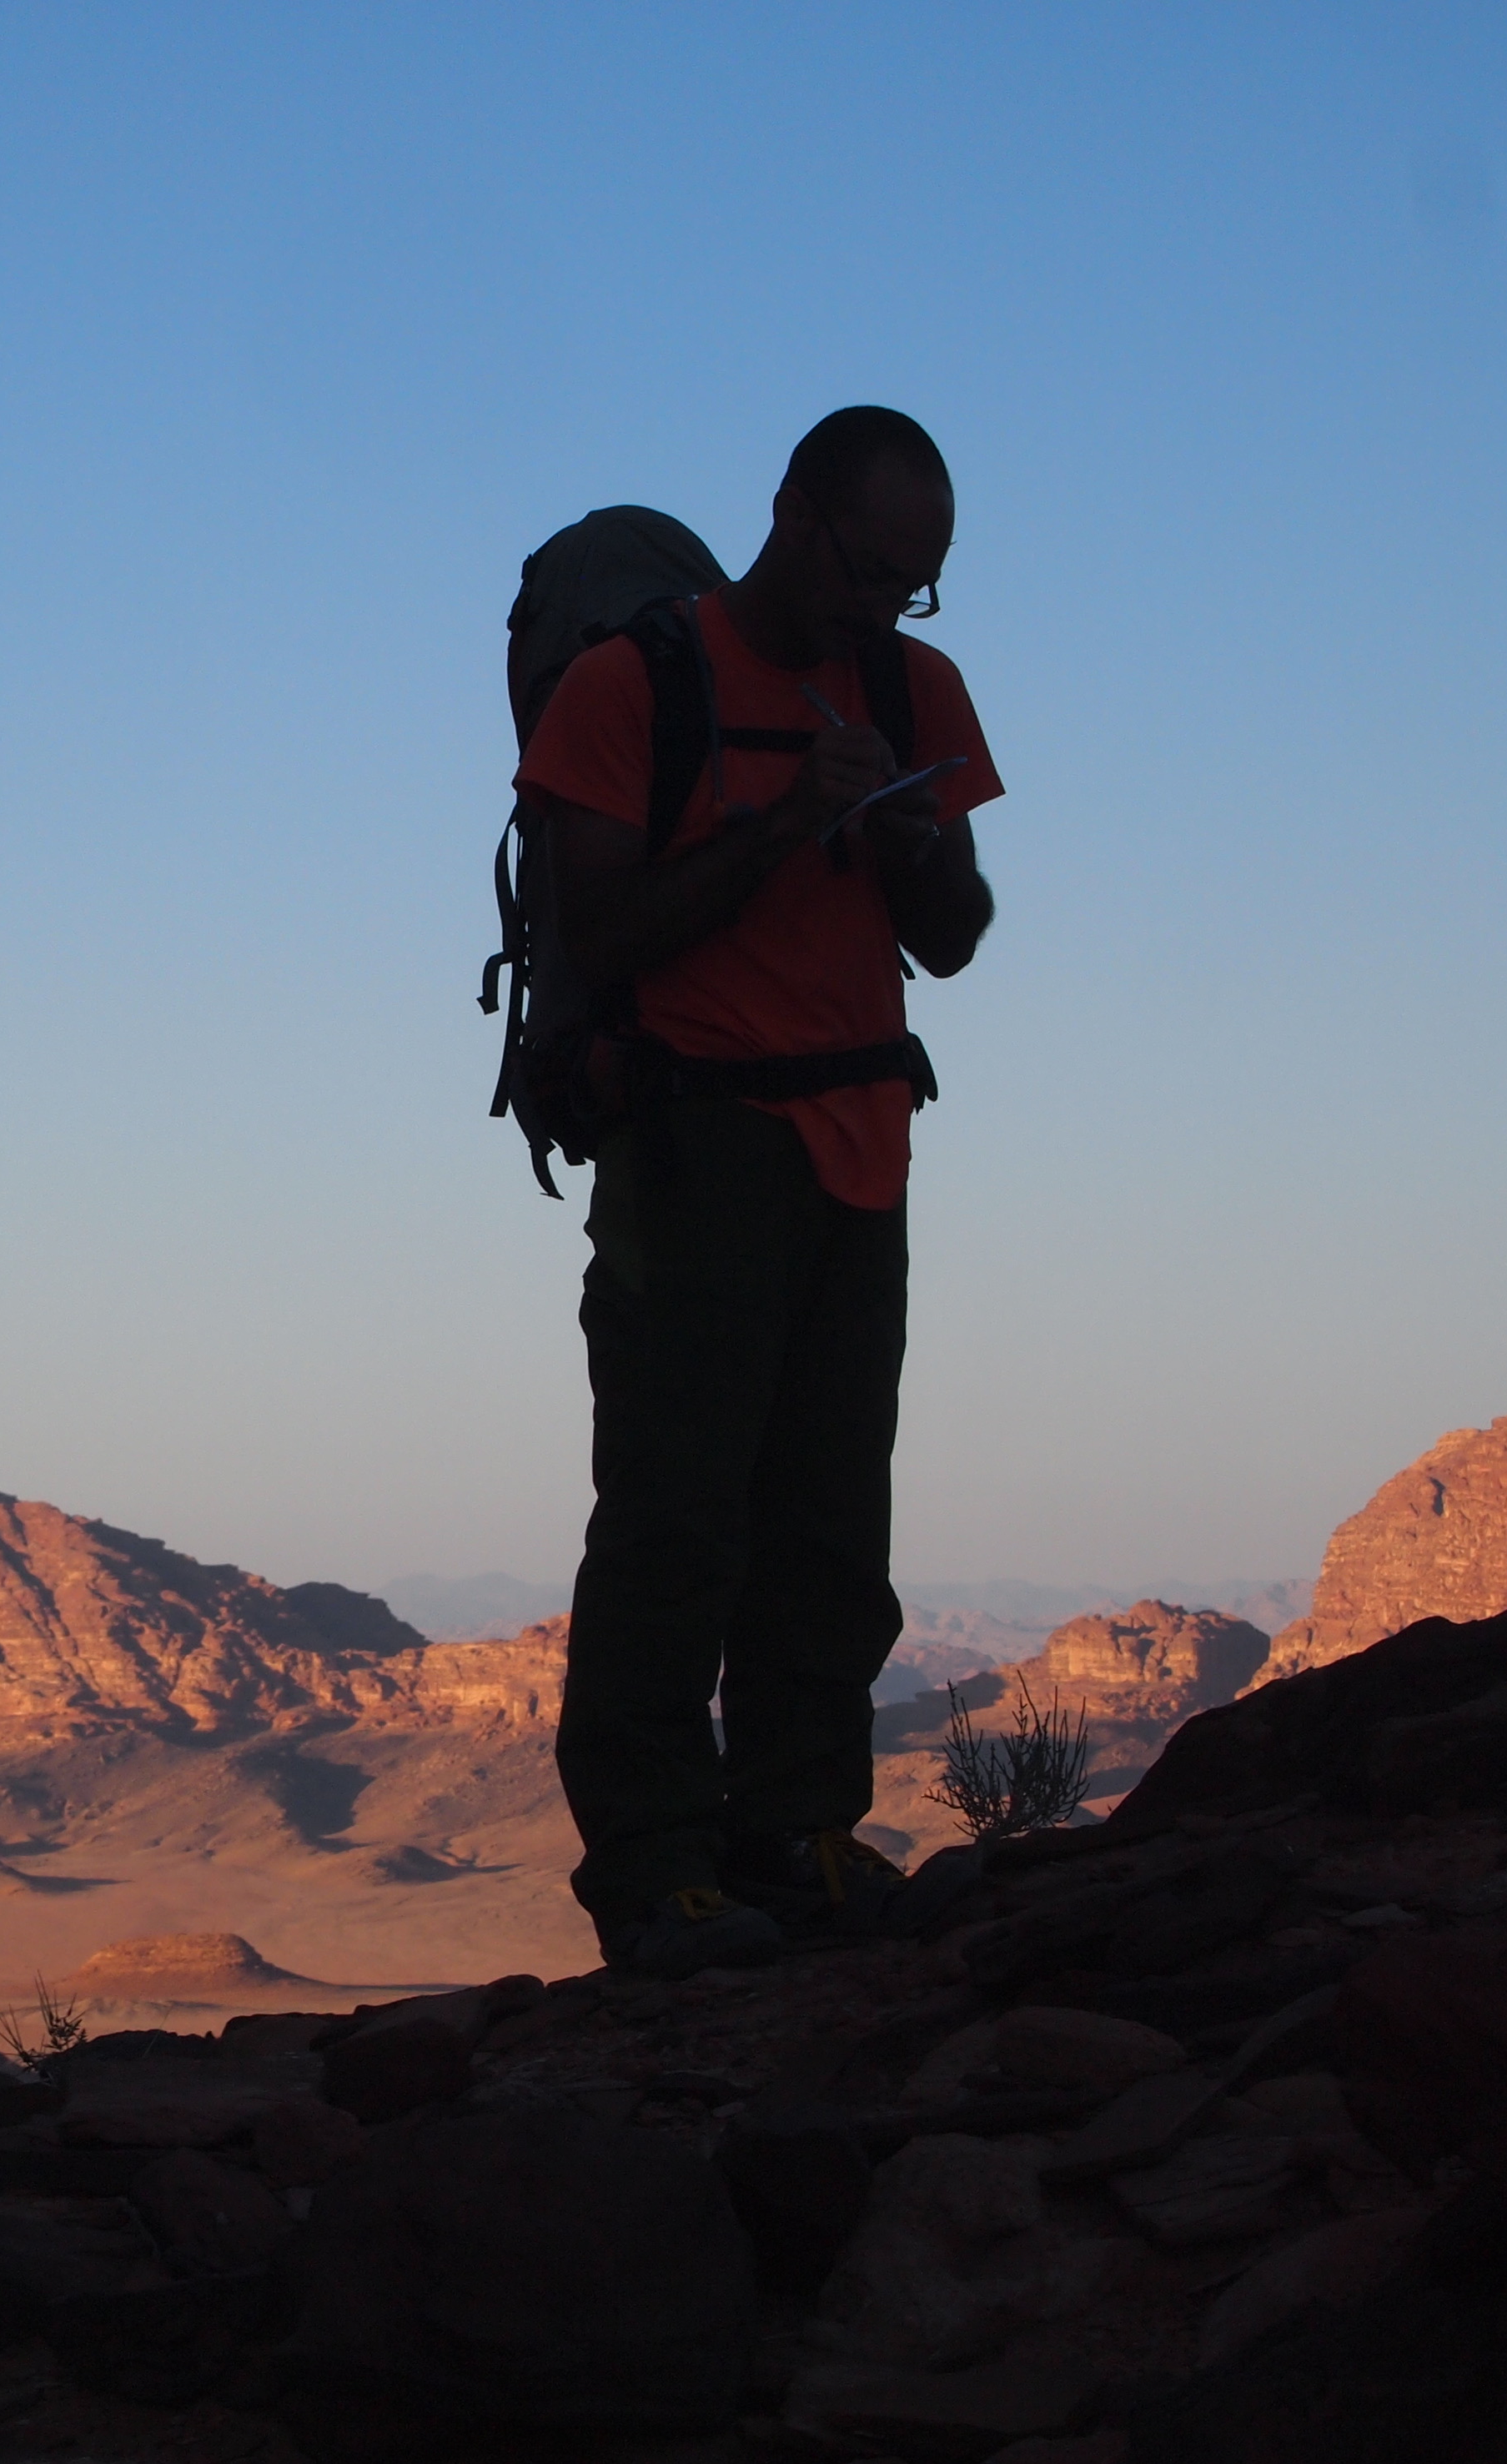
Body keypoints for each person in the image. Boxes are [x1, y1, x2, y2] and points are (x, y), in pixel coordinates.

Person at [512, 407, 1002, 1976]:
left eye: (916, 586)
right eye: (872, 571)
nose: (887, 609)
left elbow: (959, 934)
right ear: (791, 513)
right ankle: (657, 1870)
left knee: (827, 1523)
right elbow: (610, 928)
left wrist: (913, 835)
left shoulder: (913, 690)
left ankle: (797, 1834)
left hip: (864, 1141)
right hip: (699, 1144)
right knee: (677, 1512)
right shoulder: (631, 689)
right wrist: (789, 824)